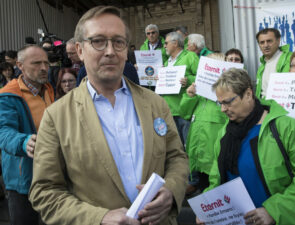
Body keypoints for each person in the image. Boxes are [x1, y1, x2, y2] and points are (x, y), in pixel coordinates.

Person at [29, 6, 188, 225]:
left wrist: (170, 191)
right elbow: (44, 191)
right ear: (80, 50)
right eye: (98, 41)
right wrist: (99, 218)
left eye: (118, 42)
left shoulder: (155, 104)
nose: (110, 51)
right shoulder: (56, 116)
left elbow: (177, 158)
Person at [197, 68, 295, 225]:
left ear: (249, 94)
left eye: (228, 102)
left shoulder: (285, 127)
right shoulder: (225, 133)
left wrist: (274, 211)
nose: (223, 109)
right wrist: (206, 207)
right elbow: (216, 178)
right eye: (220, 103)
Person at [0, 45, 55, 225]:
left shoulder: (48, 89)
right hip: (22, 179)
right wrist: (24, 142)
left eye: (46, 63)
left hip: (51, 176)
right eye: (36, 63)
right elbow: (3, 132)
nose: (44, 68)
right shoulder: (8, 95)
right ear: (20, 65)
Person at [180, 53, 227, 195]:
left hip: (214, 157)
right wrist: (189, 96)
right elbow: (185, 113)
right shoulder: (199, 93)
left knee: (216, 191)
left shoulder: (226, 95)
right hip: (198, 153)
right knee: (203, 188)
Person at [163, 31, 199, 145]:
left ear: (175, 43)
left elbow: (201, 78)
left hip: (184, 110)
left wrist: (188, 80)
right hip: (169, 111)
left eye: (166, 43)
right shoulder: (166, 62)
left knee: (187, 145)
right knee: (175, 147)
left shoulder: (190, 56)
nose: (164, 46)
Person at [256, 28, 292, 99]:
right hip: (262, 105)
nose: (266, 45)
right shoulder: (262, 64)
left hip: (278, 106)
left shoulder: (289, 59)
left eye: (269, 41)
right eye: (262, 42)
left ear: (278, 41)